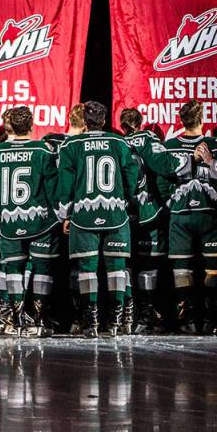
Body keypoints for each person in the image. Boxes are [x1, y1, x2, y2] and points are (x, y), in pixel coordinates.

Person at [55, 101, 139, 337]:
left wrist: (65, 214)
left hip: (84, 215)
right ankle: (115, 322)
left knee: (87, 271)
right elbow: (132, 172)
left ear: (84, 120)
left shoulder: (71, 144)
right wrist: (126, 199)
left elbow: (65, 183)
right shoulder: (119, 142)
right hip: (115, 213)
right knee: (117, 269)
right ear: (104, 120)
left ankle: (90, 322)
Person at [0, 106, 62, 336]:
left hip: (9, 221)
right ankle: (38, 321)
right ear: (30, 125)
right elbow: (52, 187)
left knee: (14, 270)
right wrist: (60, 214)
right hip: (40, 222)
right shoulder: (43, 150)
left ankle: (15, 321)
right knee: (41, 270)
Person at [160, 99, 217, 334]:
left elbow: (162, 180)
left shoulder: (169, 145)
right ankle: (212, 318)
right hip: (210, 214)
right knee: (214, 267)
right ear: (203, 120)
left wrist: (170, 201)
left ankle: (188, 318)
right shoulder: (216, 144)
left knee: (182, 268)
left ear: (181, 120)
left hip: (181, 215)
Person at [119, 108, 182, 334]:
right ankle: (146, 315)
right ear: (140, 122)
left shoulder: (116, 142)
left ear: (122, 125)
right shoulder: (148, 138)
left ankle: (129, 314)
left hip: (123, 213)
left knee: (126, 265)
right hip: (149, 211)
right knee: (149, 265)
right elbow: (167, 166)